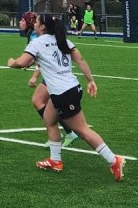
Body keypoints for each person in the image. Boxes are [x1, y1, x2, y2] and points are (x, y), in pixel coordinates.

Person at [7, 14, 125, 182]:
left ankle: (114, 160)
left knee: (83, 130)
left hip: (63, 93)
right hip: (69, 89)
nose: (34, 24)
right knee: (49, 119)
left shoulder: (38, 42)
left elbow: (21, 63)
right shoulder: (63, 40)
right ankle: (55, 161)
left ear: (42, 27)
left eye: (37, 22)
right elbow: (80, 60)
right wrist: (90, 80)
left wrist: (11, 62)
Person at [19, 11, 79, 148]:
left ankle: (66, 133)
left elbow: (44, 57)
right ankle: (66, 133)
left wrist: (34, 76)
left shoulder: (36, 37)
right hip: (57, 76)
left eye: (23, 20)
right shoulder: (33, 36)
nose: (20, 23)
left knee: (39, 101)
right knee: (44, 103)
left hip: (55, 77)